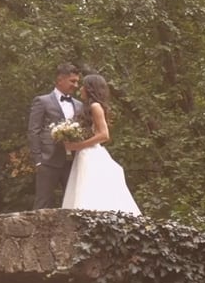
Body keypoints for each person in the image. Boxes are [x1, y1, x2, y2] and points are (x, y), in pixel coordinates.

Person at [61, 74, 141, 215]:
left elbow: (104, 135)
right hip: (84, 153)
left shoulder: (95, 106)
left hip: (91, 153)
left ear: (89, 89)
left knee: (89, 188)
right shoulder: (88, 107)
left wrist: (78, 145)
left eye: (83, 86)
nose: (80, 89)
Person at [29, 62, 83, 209]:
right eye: (73, 81)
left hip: (72, 161)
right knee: (43, 202)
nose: (76, 85)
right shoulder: (42, 101)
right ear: (60, 79)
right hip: (48, 160)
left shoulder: (79, 105)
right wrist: (38, 160)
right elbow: (34, 131)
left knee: (73, 202)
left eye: (77, 82)